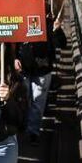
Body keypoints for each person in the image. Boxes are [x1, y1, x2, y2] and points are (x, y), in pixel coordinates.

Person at [15, 11, 66, 143]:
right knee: (23, 100)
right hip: (23, 69)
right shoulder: (18, 20)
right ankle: (21, 128)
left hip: (42, 70)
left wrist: (58, 30)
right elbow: (12, 42)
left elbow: (62, 43)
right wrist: (14, 58)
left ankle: (33, 132)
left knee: (38, 102)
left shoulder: (49, 24)